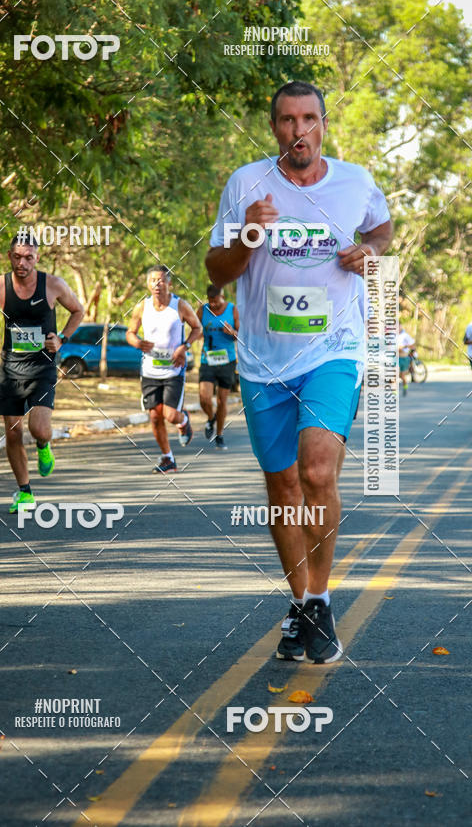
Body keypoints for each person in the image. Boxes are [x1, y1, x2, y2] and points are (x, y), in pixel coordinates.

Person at [206, 80, 393, 664]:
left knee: (316, 471)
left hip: (334, 349)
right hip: (264, 361)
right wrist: (249, 236)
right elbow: (216, 267)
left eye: (309, 119)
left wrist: (373, 253)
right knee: (283, 486)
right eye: (287, 120)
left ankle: (321, 597)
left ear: (324, 125)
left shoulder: (355, 182)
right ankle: (303, 606)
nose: (299, 131)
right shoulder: (247, 184)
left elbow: (381, 229)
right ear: (274, 129)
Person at [0, 234, 84, 512]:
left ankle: (43, 444)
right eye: (17, 256)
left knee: (39, 428)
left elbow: (77, 311)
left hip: (43, 368)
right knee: (13, 435)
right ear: (9, 256)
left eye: (28, 257)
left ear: (37, 257)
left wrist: (61, 338)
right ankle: (25, 492)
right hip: (10, 370)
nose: (22, 262)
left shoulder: (53, 285)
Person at [126, 265, 202, 473]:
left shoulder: (180, 306)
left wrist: (184, 346)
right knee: (154, 416)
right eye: (153, 281)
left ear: (169, 283)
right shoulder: (142, 307)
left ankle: (183, 419)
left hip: (174, 371)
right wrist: (138, 343)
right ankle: (167, 458)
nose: (157, 284)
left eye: (161, 280)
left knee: (170, 415)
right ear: (148, 285)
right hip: (149, 371)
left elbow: (198, 328)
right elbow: (130, 333)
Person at [197, 285, 239, 450]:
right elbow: (195, 328)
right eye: (210, 301)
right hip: (207, 359)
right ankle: (210, 418)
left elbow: (241, 334)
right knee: (204, 398)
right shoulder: (202, 310)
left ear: (222, 296)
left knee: (222, 401)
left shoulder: (233, 309)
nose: (212, 305)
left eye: (216, 301)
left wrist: (232, 332)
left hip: (227, 361)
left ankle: (219, 435)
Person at [398, 326, 416, 396]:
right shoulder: (392, 335)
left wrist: (404, 347)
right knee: (394, 375)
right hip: (396, 358)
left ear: (401, 327)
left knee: (402, 376)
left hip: (404, 358)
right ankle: (394, 394)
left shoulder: (405, 335)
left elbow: (412, 346)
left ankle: (405, 387)